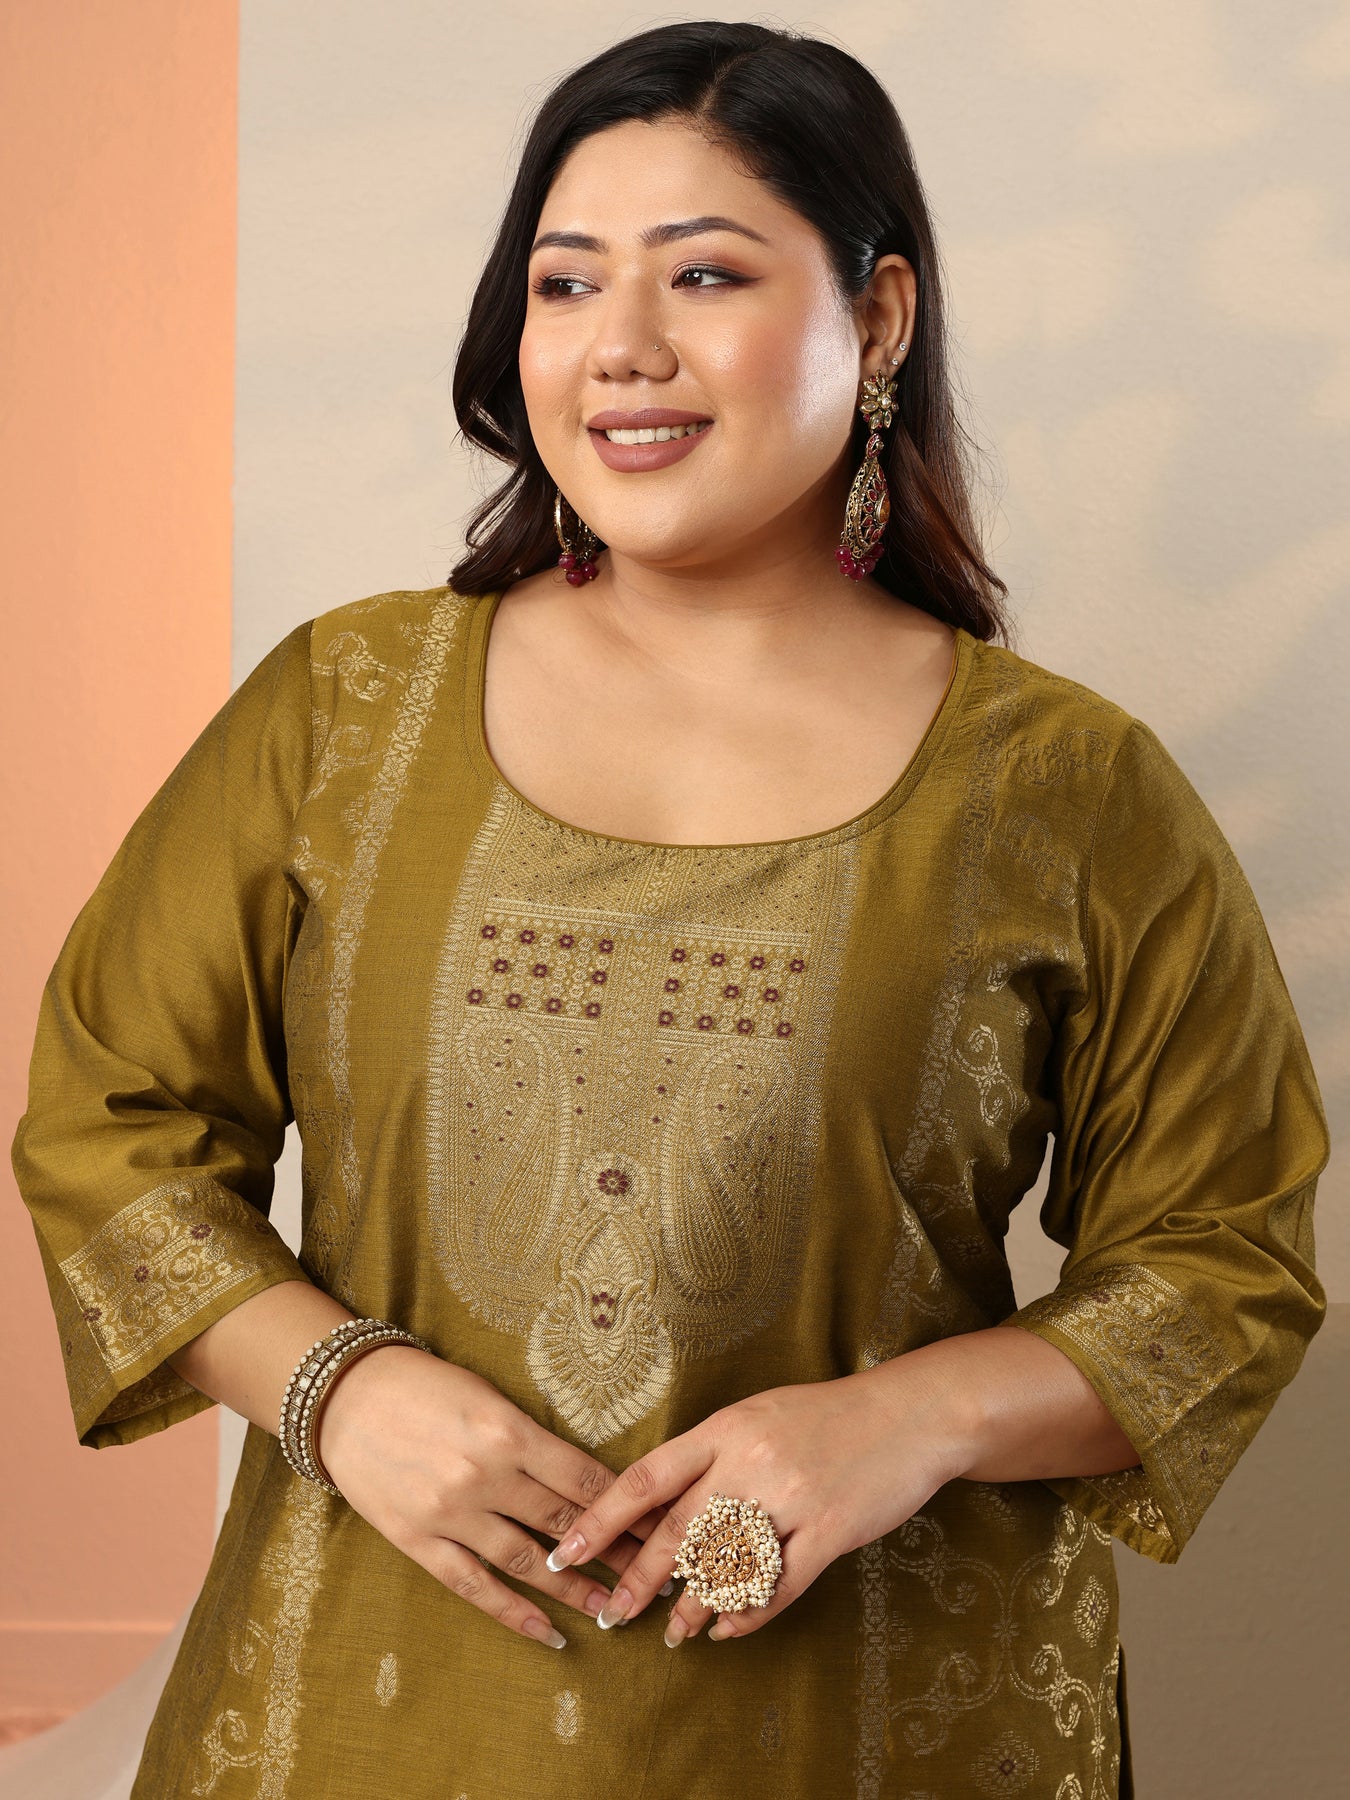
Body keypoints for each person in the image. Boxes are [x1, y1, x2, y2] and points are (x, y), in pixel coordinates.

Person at [10, 20, 1330, 1799]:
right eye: (564, 284)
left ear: (877, 318)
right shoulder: (343, 712)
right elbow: (109, 1128)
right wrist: (341, 1388)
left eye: (704, 274)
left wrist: (905, 1419)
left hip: (885, 1730)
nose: (620, 345)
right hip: (370, 1715)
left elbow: (1221, 1263)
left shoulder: (1063, 786)